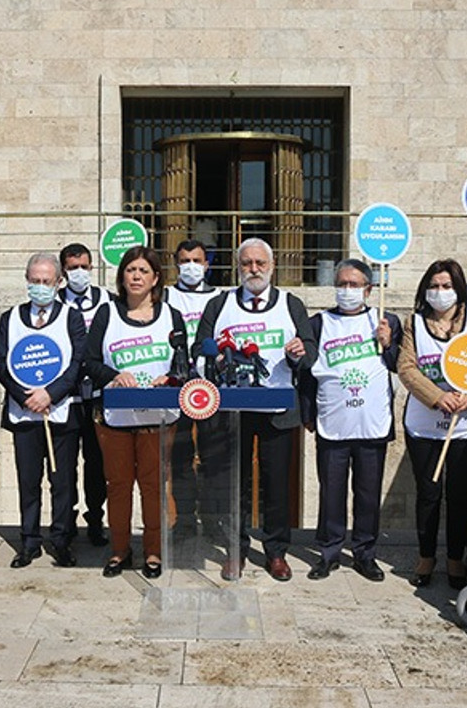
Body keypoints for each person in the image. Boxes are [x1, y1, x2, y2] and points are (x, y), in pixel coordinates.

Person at [194, 237, 317, 581]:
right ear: (237, 267)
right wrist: (216, 356)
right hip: (232, 410)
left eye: (260, 263)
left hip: (277, 410)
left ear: (272, 267)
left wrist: (299, 352)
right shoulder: (220, 304)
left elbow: (310, 348)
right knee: (236, 484)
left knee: (276, 483)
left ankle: (277, 552)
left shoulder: (291, 304)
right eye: (247, 263)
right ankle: (237, 550)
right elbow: (199, 347)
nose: (253, 269)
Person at [83, 245, 187, 579]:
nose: (137, 276)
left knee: (154, 487)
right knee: (118, 485)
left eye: (144, 271)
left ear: (156, 277)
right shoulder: (106, 314)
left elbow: (183, 365)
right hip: (116, 419)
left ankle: (154, 552)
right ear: (122, 276)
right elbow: (89, 362)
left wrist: (169, 378)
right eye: (131, 270)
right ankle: (119, 550)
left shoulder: (172, 316)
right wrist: (114, 376)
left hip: (158, 418)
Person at [299, 259, 401, 581]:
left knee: (368, 494)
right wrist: (308, 414)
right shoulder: (319, 323)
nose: (347, 290)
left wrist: (389, 344)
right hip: (333, 422)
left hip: (371, 423)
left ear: (369, 290)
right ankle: (328, 553)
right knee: (332, 492)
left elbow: (401, 366)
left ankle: (365, 553)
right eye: (342, 284)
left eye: (354, 285)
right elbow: (307, 373)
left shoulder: (386, 321)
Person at [397, 259, 467, 589]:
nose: (440, 292)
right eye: (434, 286)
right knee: (429, 493)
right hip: (424, 424)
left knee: (462, 495)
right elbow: (407, 369)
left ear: (459, 289)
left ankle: (456, 557)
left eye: (447, 286)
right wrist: (438, 397)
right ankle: (426, 555)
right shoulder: (414, 323)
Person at [0, 253, 87, 569]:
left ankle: (61, 540)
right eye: (34, 281)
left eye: (46, 281)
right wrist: (26, 398)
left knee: (62, 482)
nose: (40, 287)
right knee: (28, 481)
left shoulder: (71, 317)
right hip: (24, 415)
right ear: (26, 280)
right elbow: (1, 363)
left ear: (58, 282)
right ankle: (29, 541)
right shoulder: (10, 318)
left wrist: (50, 394)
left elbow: (77, 362)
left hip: (60, 413)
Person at [161, 239, 221, 535]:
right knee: (181, 458)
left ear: (207, 264)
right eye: (185, 261)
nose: (191, 267)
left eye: (197, 261)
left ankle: (211, 520)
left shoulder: (222, 298)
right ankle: (183, 520)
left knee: (212, 458)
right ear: (176, 264)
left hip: (211, 389)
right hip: (177, 387)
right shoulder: (165, 296)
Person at [60, 242, 114, 547]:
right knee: (66, 465)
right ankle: (66, 521)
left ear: (92, 268)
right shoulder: (55, 303)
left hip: (97, 395)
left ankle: (96, 519)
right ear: (64, 271)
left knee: (96, 462)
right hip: (66, 397)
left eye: (84, 266)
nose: (79, 273)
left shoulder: (108, 301)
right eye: (72, 268)